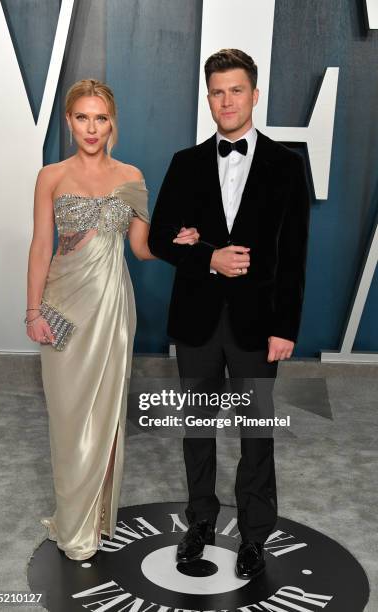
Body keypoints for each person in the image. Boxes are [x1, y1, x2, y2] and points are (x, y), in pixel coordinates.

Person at [148, 49, 310, 579]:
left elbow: (294, 255)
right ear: (208, 97)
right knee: (197, 427)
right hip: (195, 321)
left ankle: (255, 535)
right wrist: (206, 256)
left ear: (254, 94)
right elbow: (158, 238)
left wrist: (285, 327)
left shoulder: (287, 166)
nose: (226, 100)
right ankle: (199, 523)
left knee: (255, 431)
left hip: (257, 325)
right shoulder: (185, 162)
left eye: (236, 90)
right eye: (217, 91)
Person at [26, 79, 198, 561]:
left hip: (112, 309)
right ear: (68, 121)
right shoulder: (51, 176)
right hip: (61, 307)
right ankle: (71, 517)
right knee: (66, 417)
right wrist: (32, 310)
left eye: (100, 118)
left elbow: (141, 250)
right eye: (82, 117)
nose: (91, 127)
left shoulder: (132, 176)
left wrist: (176, 245)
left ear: (112, 122)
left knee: (103, 417)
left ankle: (93, 522)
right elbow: (41, 246)